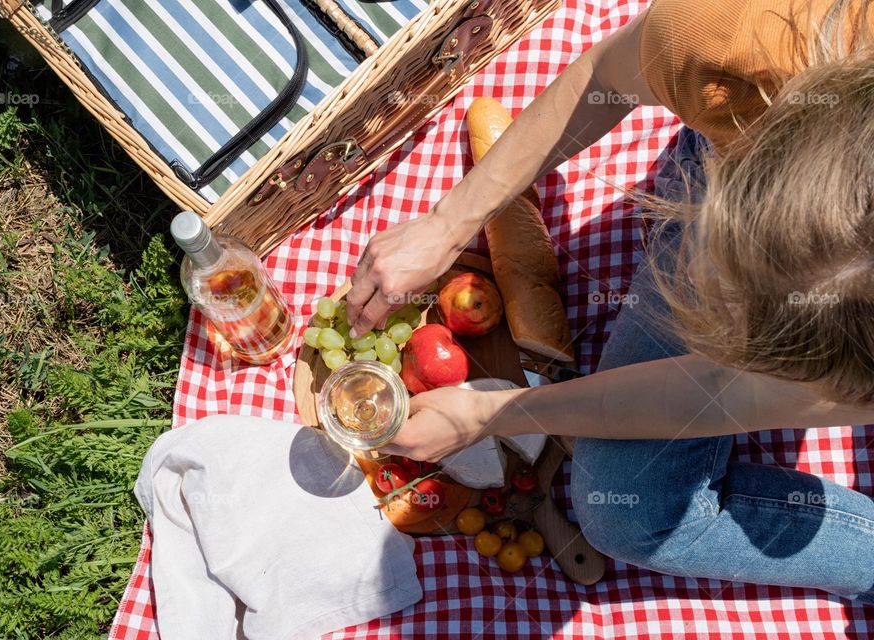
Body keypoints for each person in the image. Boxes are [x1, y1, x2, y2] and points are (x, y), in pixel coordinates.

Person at [345, 0, 874, 602]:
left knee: (627, 514)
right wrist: (446, 223)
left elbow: (722, 393)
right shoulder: (749, 32)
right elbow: (602, 78)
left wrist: (493, 414)